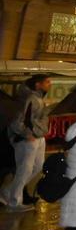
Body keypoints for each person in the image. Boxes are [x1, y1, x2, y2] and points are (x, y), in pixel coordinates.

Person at [3, 73, 52, 211]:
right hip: (28, 138)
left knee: (36, 166)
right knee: (25, 169)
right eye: (47, 82)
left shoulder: (37, 98)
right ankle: (14, 203)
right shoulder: (29, 99)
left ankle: (9, 191)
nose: (50, 84)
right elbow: (17, 120)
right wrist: (26, 134)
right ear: (38, 84)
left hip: (37, 136)